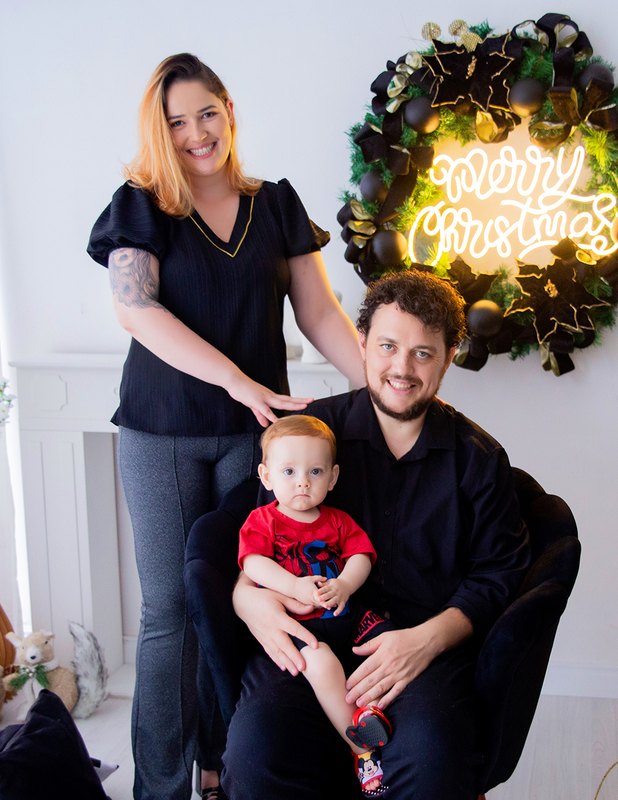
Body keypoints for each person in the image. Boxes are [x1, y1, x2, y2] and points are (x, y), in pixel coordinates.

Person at [86, 53, 365, 800]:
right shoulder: (141, 205)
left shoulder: (274, 205)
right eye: (176, 122)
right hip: (162, 431)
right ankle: (162, 787)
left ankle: (226, 772)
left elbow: (318, 312)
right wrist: (238, 379)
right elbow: (136, 310)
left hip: (259, 440)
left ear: (229, 109)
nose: (195, 133)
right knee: (170, 612)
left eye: (206, 112)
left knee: (242, 603)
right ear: (160, 131)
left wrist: (381, 383)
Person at [221, 270, 532, 799]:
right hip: (310, 639)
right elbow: (253, 544)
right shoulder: (306, 438)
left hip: (422, 651)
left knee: (433, 760)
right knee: (256, 754)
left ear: (449, 355)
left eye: (423, 353)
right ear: (362, 343)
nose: (401, 369)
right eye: (387, 346)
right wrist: (246, 600)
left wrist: (424, 642)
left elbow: (498, 577)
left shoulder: (478, 460)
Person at [238, 415, 396, 796]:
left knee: (388, 642)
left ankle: (376, 707)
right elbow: (253, 562)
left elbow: (362, 556)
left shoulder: (337, 521)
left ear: (333, 477)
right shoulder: (264, 520)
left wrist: (343, 583)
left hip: (346, 613)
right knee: (322, 662)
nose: (303, 482)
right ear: (267, 476)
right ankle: (361, 747)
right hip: (303, 628)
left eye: (315, 471)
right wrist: (293, 585)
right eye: (289, 471)